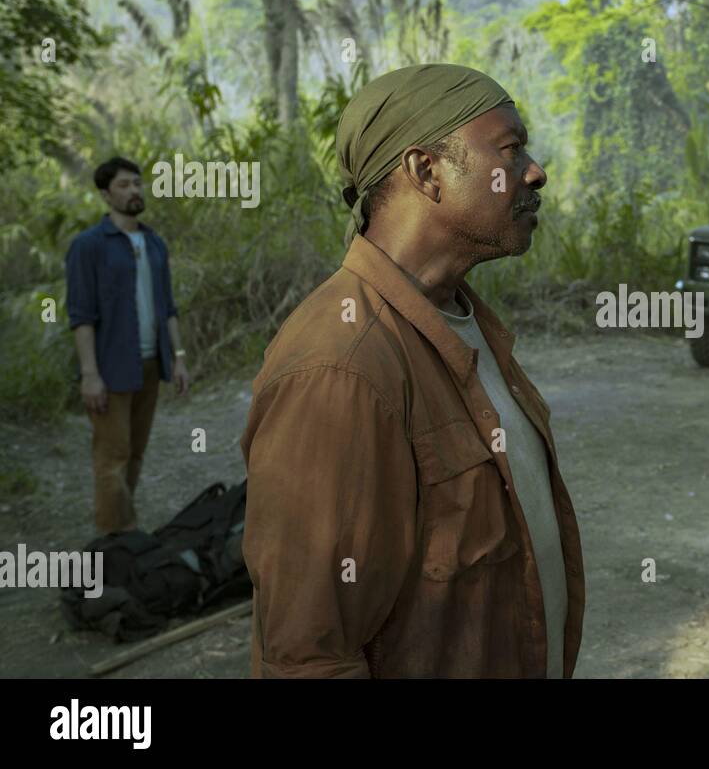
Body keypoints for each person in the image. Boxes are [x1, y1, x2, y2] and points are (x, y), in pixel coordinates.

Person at [241, 64, 584, 678]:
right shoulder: (341, 367)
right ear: (426, 171)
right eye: (510, 148)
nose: (535, 171)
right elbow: (309, 654)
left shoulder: (466, 320)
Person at [66, 156, 191, 534]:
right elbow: (81, 314)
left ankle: (124, 529)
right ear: (106, 195)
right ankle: (114, 541)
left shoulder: (154, 243)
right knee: (112, 456)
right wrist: (90, 374)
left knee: (135, 452)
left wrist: (179, 358)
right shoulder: (88, 246)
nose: (134, 190)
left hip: (152, 364)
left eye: (137, 183)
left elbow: (168, 307)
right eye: (123, 185)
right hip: (111, 367)